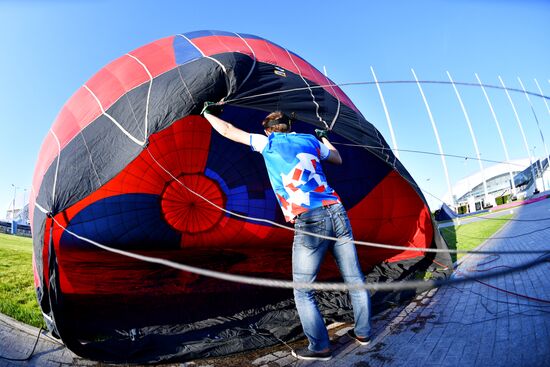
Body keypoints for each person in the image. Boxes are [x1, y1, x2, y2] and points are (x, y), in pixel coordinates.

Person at [201, 103, 371, 361]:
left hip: (309, 218)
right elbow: (337, 158)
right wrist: (323, 135)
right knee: (354, 279)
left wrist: (207, 113)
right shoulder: (310, 141)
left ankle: (320, 347)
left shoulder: (266, 143)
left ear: (269, 131)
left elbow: (226, 130)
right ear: (288, 127)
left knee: (303, 290)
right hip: (336, 210)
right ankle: (364, 333)